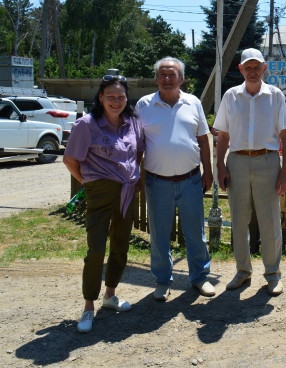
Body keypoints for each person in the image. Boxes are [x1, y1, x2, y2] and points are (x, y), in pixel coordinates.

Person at [64, 74, 144, 333]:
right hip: (100, 191)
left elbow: (138, 151)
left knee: (120, 246)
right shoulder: (86, 125)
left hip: (127, 192)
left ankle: (110, 295)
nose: (116, 101)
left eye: (121, 97)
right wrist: (89, 184)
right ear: (100, 97)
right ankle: (89, 306)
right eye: (111, 96)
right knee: (96, 249)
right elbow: (70, 161)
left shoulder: (131, 122)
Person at [136, 57, 214, 301]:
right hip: (156, 182)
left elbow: (203, 139)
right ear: (156, 78)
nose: (167, 79)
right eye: (163, 74)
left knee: (196, 233)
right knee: (159, 235)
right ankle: (162, 281)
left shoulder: (193, 103)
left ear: (181, 79)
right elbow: (137, 144)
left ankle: (200, 278)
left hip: (190, 180)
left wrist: (208, 171)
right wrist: (137, 174)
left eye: (172, 75)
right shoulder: (144, 105)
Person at [214, 48, 286, 296]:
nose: (253, 71)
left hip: (267, 161)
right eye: (248, 67)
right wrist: (220, 165)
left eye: (257, 67)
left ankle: (272, 274)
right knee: (239, 221)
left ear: (264, 68)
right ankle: (242, 271)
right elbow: (223, 135)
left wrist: (284, 172)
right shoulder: (231, 96)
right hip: (237, 161)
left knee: (270, 221)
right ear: (241, 70)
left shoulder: (275, 95)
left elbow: (285, 136)